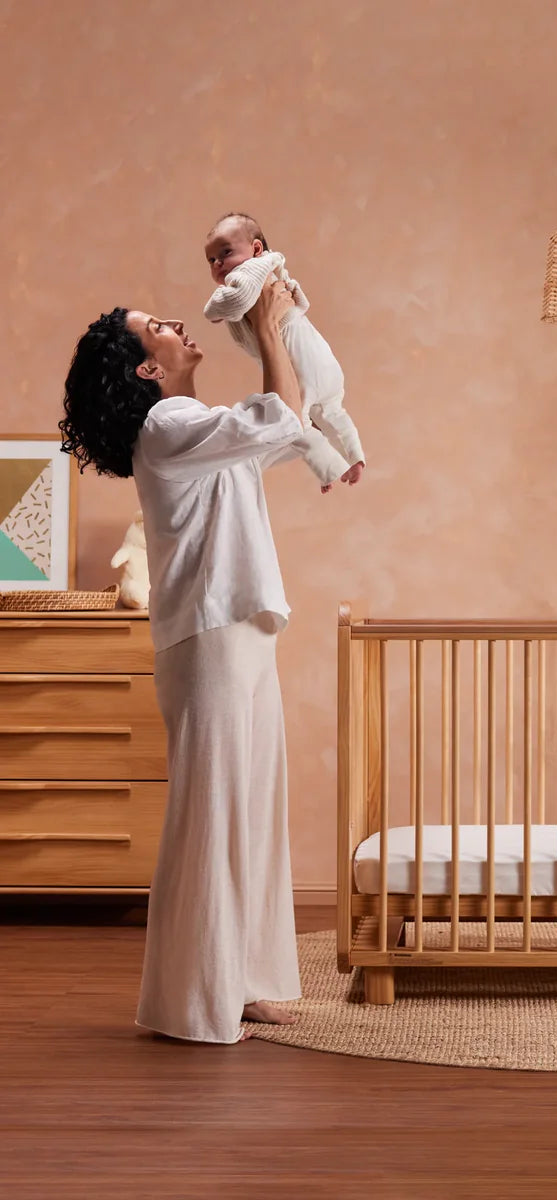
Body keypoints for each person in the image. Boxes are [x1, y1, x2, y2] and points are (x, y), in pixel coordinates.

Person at [59, 278, 322, 1043]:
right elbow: (280, 416)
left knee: (247, 810)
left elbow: (288, 427)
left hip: (237, 629)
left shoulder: (195, 427)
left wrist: (278, 331)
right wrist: (267, 327)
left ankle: (241, 982)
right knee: (214, 815)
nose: (177, 324)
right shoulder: (168, 422)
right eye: (158, 329)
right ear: (149, 368)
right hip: (211, 639)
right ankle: (192, 1003)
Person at [203, 212, 366, 494]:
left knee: (291, 421)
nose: (218, 263)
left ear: (256, 248)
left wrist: (213, 310)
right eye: (211, 260)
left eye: (225, 252)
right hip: (319, 358)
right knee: (333, 411)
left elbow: (234, 303)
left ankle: (331, 467)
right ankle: (355, 457)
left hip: (300, 362)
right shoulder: (265, 269)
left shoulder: (251, 271)